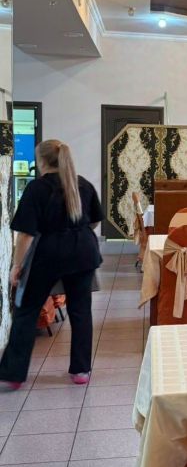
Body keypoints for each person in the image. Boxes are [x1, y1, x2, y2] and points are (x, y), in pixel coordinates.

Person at [0, 139, 103, 389]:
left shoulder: (37, 189)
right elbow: (94, 222)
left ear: (42, 161)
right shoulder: (83, 184)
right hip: (83, 252)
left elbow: (25, 234)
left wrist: (17, 266)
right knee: (80, 310)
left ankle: (13, 374)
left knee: (26, 309)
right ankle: (81, 370)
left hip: (48, 254)